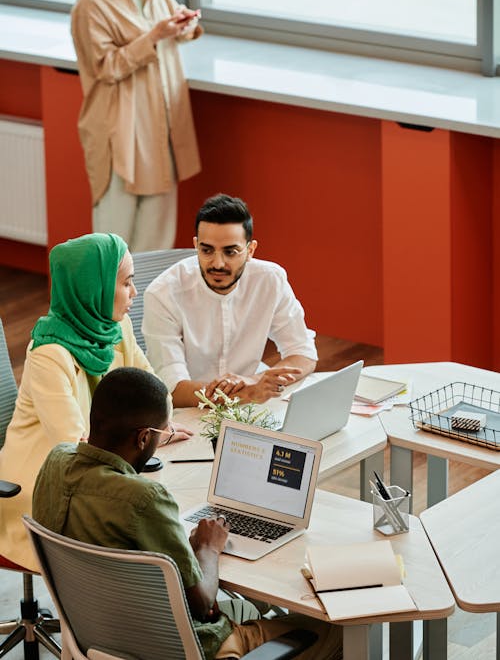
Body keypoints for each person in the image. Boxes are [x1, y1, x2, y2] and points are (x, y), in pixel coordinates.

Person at [32, 367, 342, 660]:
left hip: (101, 637)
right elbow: (203, 606)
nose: (158, 441)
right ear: (142, 438)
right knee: (337, 630)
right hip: (185, 649)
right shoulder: (144, 499)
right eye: (161, 435)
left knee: (251, 607)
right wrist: (207, 546)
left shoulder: (55, 463)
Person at [0, 232, 191, 572]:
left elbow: (157, 393)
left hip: (106, 466)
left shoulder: (117, 328)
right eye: (126, 284)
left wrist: (154, 426)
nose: (134, 293)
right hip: (43, 482)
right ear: (95, 288)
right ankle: (95, 610)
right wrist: (153, 431)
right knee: (139, 523)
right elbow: (74, 448)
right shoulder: (48, 354)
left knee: (164, 503)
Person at [71, 0, 202, 252]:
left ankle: (145, 305)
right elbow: (107, 67)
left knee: (157, 232)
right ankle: (107, 306)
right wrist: (154, 36)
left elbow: (166, 23)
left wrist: (182, 24)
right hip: (120, 128)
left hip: (159, 121)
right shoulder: (91, 5)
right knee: (115, 237)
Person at [143, 193, 318, 408]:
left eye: (230, 252)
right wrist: (248, 392)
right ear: (196, 245)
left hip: (250, 406)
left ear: (250, 250)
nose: (218, 263)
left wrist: (252, 382)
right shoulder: (162, 293)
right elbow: (173, 389)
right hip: (190, 410)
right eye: (207, 250)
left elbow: (303, 354)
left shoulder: (270, 280)